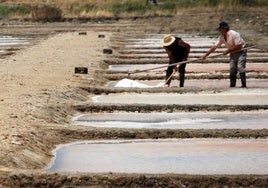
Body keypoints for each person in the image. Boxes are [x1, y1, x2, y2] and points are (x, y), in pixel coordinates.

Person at [202, 21, 247, 87]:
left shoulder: (234, 34)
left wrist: (228, 51)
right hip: (232, 53)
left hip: (241, 52)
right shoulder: (221, 37)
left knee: (240, 67)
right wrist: (206, 55)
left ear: (225, 28)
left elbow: (239, 46)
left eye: (221, 29)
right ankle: (232, 85)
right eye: (219, 29)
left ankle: (243, 85)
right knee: (232, 69)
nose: (220, 31)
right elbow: (214, 47)